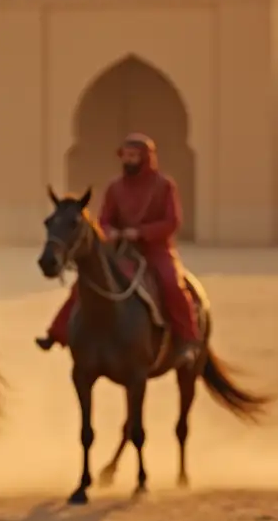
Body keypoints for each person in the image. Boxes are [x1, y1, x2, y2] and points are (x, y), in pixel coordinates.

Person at [35, 133, 201, 367]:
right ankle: (58, 331)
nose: (129, 160)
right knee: (86, 282)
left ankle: (187, 341)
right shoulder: (115, 187)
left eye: (134, 156)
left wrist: (140, 232)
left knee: (171, 284)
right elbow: (104, 219)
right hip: (121, 250)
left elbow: (172, 222)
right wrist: (109, 231)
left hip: (156, 249)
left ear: (146, 158)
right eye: (126, 155)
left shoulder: (164, 186)